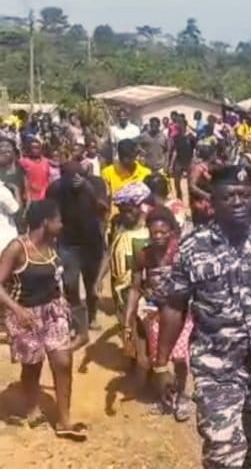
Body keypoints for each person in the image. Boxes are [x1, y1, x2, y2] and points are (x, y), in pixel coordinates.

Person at [156, 165, 251, 469]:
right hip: (216, 365)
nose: (239, 202)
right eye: (229, 196)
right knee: (222, 450)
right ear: (213, 202)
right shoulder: (193, 247)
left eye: (245, 194)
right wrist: (161, 362)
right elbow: (175, 305)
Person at [0, 200, 87, 440]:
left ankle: (65, 420)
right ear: (45, 222)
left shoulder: (53, 246)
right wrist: (16, 309)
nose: (61, 224)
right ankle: (30, 408)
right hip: (25, 315)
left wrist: (76, 316)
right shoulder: (17, 248)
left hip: (53, 311)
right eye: (58, 219)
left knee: (63, 362)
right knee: (33, 367)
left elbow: (63, 282)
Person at [125, 206, 193, 421]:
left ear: (172, 231)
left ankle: (181, 395)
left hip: (181, 312)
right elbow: (135, 288)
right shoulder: (144, 255)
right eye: (154, 232)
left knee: (180, 357)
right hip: (154, 313)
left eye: (163, 232)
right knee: (158, 359)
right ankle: (165, 397)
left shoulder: (180, 254)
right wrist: (128, 320)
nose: (159, 236)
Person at [47, 161, 109, 340]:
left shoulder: (95, 184)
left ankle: (92, 315)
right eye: (69, 175)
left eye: (78, 174)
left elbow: (104, 208)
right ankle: (76, 321)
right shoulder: (55, 189)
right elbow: (50, 214)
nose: (74, 179)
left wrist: (88, 189)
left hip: (91, 242)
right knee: (70, 284)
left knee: (92, 283)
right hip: (68, 243)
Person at [109, 182, 151, 356]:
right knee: (127, 329)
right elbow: (110, 253)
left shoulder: (147, 235)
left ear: (141, 207)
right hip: (120, 290)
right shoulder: (120, 229)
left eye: (129, 210)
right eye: (122, 211)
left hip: (136, 292)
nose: (125, 215)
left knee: (139, 331)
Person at [102, 139, 152, 220]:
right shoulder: (107, 173)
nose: (125, 161)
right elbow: (105, 200)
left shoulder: (146, 173)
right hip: (116, 221)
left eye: (129, 157)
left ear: (135, 155)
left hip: (140, 222)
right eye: (123, 157)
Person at [188, 144, 217, 227]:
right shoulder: (198, 168)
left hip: (208, 203)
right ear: (211, 156)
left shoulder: (207, 167)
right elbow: (192, 186)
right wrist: (206, 195)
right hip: (200, 203)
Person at [169, 117, 196, 201]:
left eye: (181, 123)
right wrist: (170, 164)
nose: (179, 125)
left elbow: (195, 149)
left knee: (190, 183)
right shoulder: (175, 137)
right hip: (178, 160)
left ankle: (191, 199)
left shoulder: (191, 137)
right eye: (178, 124)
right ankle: (179, 198)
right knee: (176, 182)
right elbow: (174, 151)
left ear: (185, 124)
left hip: (189, 160)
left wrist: (194, 161)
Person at [19, 137, 51, 201]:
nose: (35, 150)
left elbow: (48, 178)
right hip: (29, 196)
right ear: (29, 149)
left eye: (37, 148)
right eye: (33, 148)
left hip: (45, 195)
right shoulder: (23, 162)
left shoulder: (46, 162)